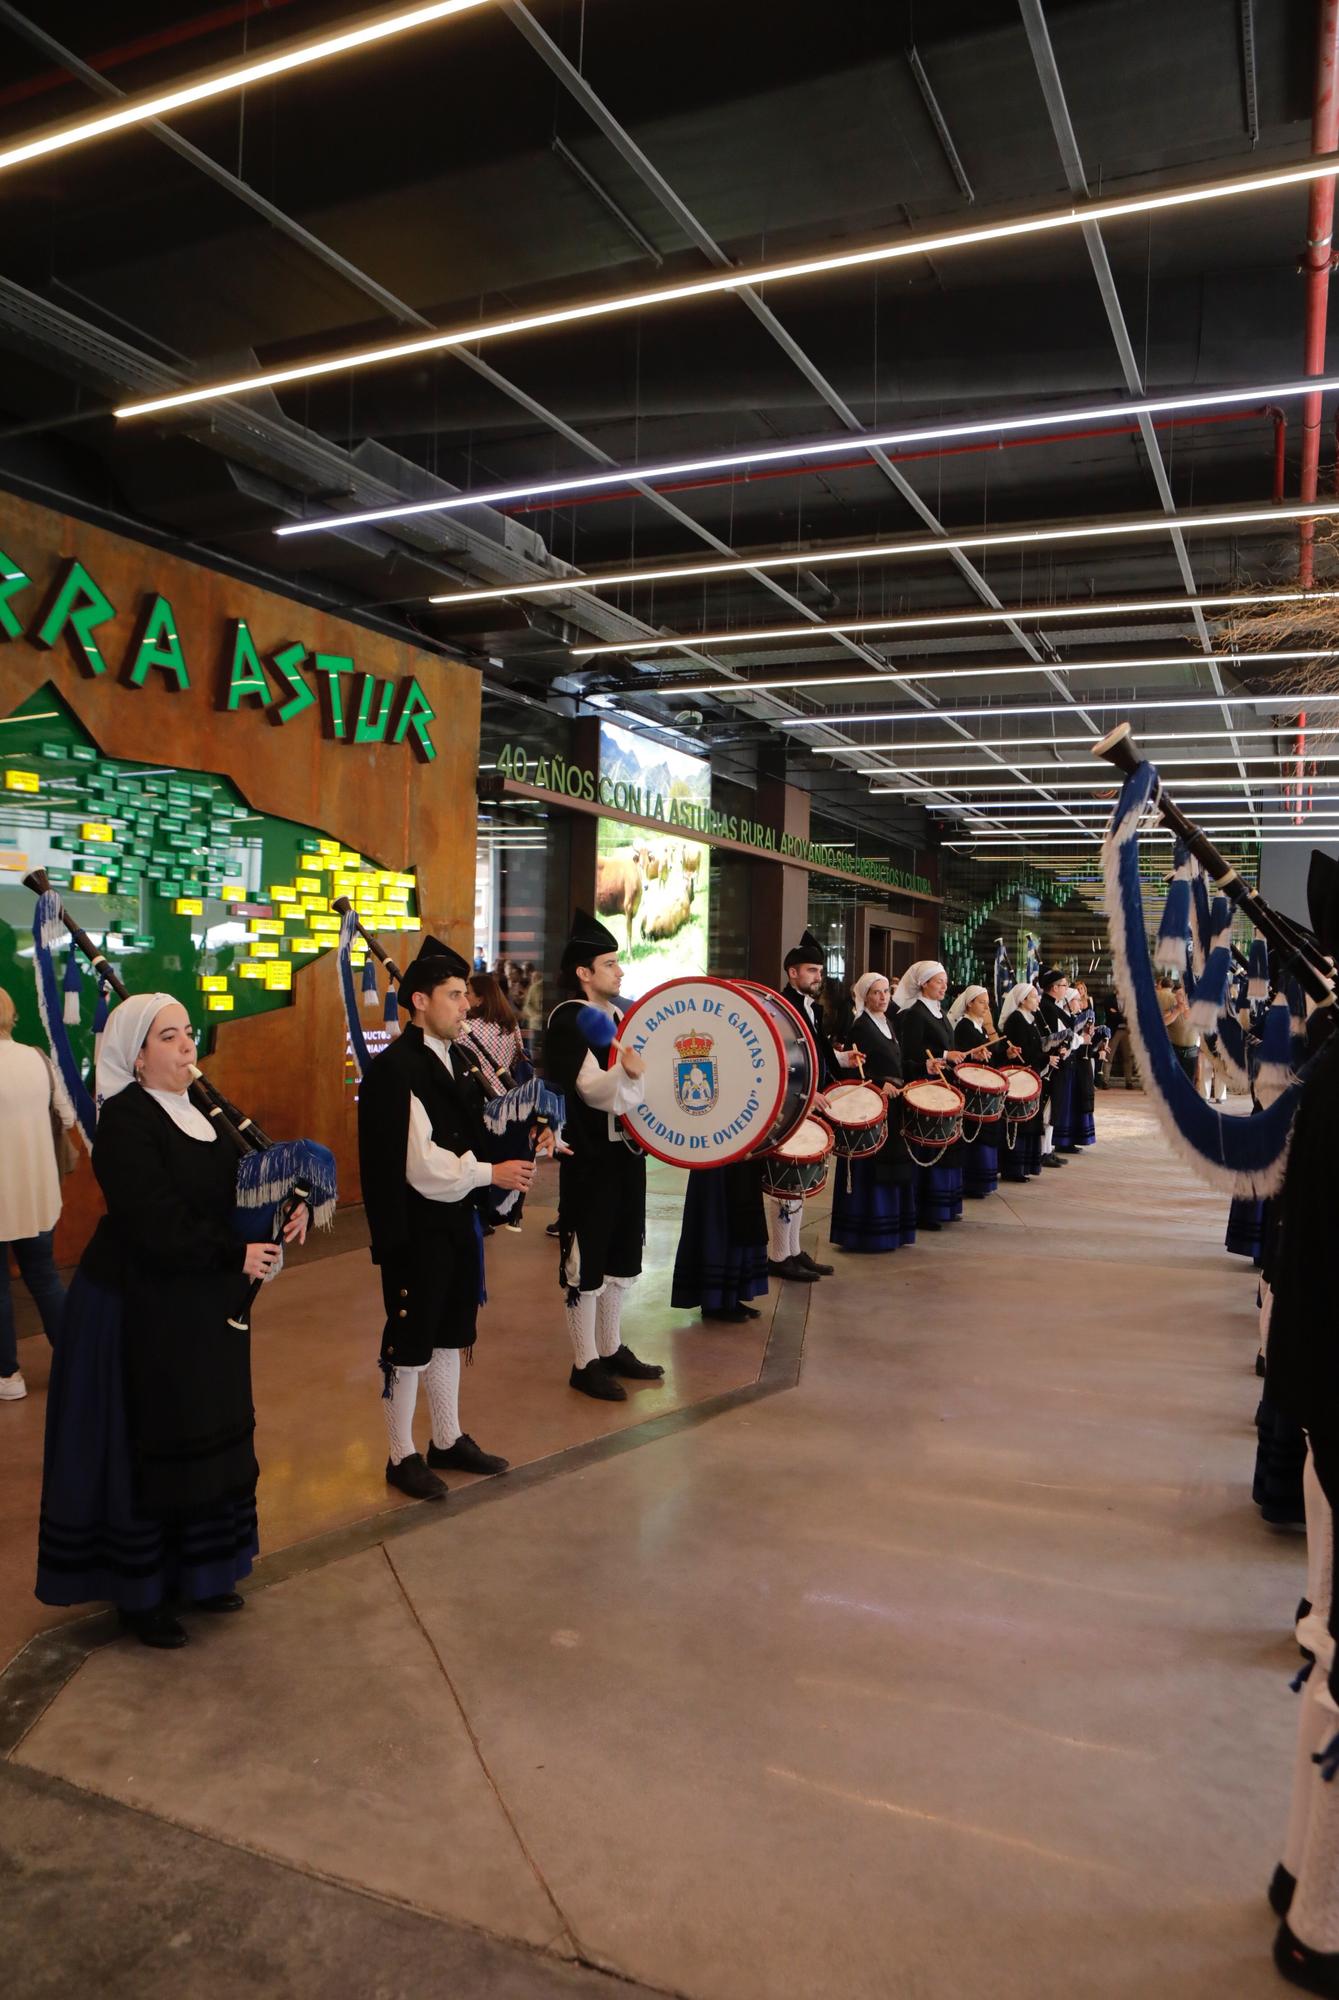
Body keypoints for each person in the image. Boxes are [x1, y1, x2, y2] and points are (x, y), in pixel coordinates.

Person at [35, 993, 307, 1648]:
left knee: (209, 1430)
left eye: (188, 1034)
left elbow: (254, 1169)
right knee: (151, 1442)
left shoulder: (209, 1110)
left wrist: (289, 1202)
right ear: (137, 1056)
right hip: (137, 1308)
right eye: (169, 1037)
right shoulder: (125, 1122)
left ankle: (204, 1570)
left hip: (203, 1303)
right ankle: (143, 1593)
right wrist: (232, 1251)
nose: (188, 1046)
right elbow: (153, 1222)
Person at [359, 937, 535, 1503]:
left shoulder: (457, 1058)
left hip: (457, 1221)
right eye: (455, 996)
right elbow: (420, 1165)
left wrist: (530, 1132)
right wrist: (491, 1174)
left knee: (450, 1332)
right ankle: (399, 1454)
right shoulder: (396, 1070)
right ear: (419, 1001)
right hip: (416, 1227)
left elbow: (481, 1126)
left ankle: (446, 1438)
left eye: (465, 995)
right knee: (412, 1338)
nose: (467, 1006)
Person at [544, 910, 663, 1402]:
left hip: (626, 1155)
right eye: (609, 963)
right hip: (590, 1157)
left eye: (619, 962)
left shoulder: (620, 1018)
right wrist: (632, 1075)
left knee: (622, 1252)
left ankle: (611, 1346)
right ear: (583, 972)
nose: (620, 971)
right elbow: (593, 1091)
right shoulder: (571, 1019)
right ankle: (583, 1361)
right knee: (586, 1259)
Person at [0, 986, 71, 1400]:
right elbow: (64, 1115)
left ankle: (9, 1376)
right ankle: (72, 1361)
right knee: (44, 1279)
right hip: (37, 1193)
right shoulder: (38, 1060)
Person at [767, 930, 845, 1281]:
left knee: (799, 1180)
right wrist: (806, 1094)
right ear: (792, 972)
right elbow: (780, 1061)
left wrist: (841, 1060)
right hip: (790, 1106)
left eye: (820, 970)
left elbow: (814, 1053)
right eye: (811, 970)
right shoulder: (782, 1008)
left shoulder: (809, 1008)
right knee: (787, 1177)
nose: (818, 976)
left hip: (808, 1105)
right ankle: (778, 1254)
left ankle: (794, 1250)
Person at [829, 972, 916, 1253]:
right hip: (871, 1108)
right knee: (871, 1169)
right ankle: (867, 1234)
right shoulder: (860, 1027)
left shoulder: (888, 1022)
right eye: (876, 993)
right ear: (865, 996)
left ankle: (892, 1230)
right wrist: (881, 1085)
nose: (883, 997)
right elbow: (855, 1071)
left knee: (891, 1165)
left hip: (892, 1106)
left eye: (886, 992)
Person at [892, 960, 965, 1229]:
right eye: (939, 981)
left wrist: (953, 1056)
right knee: (925, 1147)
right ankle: (923, 1209)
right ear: (924, 984)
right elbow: (909, 1054)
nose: (944, 986)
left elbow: (946, 1045)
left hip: (941, 1085)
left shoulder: (939, 1010)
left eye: (945, 981)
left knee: (942, 1145)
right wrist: (944, 1056)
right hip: (923, 1088)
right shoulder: (914, 1014)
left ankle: (942, 1205)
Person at [462, 972, 530, 1233]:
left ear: (479, 999)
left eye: (468, 992)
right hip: (505, 1098)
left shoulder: (468, 1028)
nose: (466, 998)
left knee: (476, 1157)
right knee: (496, 1157)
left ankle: (478, 1213)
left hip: (478, 1098)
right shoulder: (510, 1025)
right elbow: (517, 1059)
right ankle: (497, 1208)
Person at [946, 984, 1014, 1199]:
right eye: (982, 1002)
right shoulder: (964, 1027)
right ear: (969, 1004)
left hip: (985, 1092)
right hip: (973, 1094)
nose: (986, 1007)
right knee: (974, 1137)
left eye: (987, 1002)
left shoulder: (979, 1027)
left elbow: (990, 1056)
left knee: (986, 1135)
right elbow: (960, 1060)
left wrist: (1007, 1054)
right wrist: (973, 1056)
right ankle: (972, 1182)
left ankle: (983, 1181)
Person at [998, 982, 1049, 1178]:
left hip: (1032, 1075)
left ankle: (1026, 1166)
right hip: (1021, 1077)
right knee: (1019, 1121)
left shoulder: (1031, 1018)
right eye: (1034, 996)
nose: (1037, 1000)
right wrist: (1045, 1057)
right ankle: (1014, 1169)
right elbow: (1023, 1052)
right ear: (1022, 1000)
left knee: (1031, 1120)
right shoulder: (1016, 1020)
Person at [1037, 968, 1079, 1155]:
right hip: (1051, 1064)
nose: (1065, 988)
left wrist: (1068, 1043)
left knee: (1054, 1109)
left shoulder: (1053, 1006)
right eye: (1063, 985)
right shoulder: (1046, 1007)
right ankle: (1043, 1151)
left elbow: (1066, 1033)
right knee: (1047, 1108)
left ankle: (1048, 1150)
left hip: (1061, 1062)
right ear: (1053, 988)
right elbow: (1051, 1036)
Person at [1103, 989, 1139, 1089]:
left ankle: (1129, 1082)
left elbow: (1133, 1015)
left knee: (1128, 1057)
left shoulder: (1131, 999)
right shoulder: (1109, 999)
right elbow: (1110, 1016)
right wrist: (1124, 1017)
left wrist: (1117, 1014)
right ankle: (1105, 1081)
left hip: (1128, 1030)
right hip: (1114, 1030)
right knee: (1108, 1056)